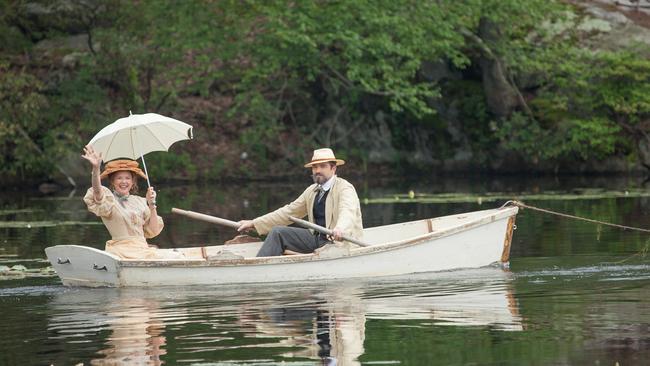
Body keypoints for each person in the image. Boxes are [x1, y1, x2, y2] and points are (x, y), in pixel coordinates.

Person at [238, 148, 363, 257]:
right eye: (315, 167)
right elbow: (288, 212)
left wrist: (340, 228)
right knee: (278, 232)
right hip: (317, 239)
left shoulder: (344, 188)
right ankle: (260, 267)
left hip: (339, 243)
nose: (317, 170)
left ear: (333, 168)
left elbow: (348, 211)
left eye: (323, 166)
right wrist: (254, 223)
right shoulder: (311, 191)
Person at [81, 145, 183, 259]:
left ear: (133, 181)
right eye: (119, 178)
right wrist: (96, 169)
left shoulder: (140, 201)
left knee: (178, 256)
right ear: (112, 181)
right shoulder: (108, 200)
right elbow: (97, 191)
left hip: (143, 249)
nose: (124, 181)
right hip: (120, 251)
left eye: (127, 178)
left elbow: (153, 230)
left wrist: (151, 205)